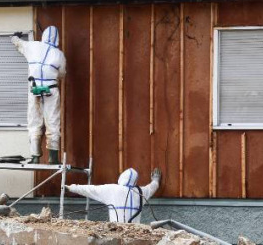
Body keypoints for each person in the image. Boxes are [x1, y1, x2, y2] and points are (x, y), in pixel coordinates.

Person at [11, 26, 66, 164]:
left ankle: (35, 157)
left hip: (34, 89)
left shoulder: (33, 46)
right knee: (53, 122)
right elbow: (62, 74)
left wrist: (15, 36)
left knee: (34, 121)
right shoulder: (59, 54)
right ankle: (53, 158)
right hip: (51, 89)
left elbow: (17, 43)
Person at [66, 168, 162, 223]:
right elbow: (152, 187)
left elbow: (91, 189)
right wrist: (156, 179)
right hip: (134, 234)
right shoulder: (141, 191)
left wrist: (72, 187)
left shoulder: (112, 189)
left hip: (116, 232)